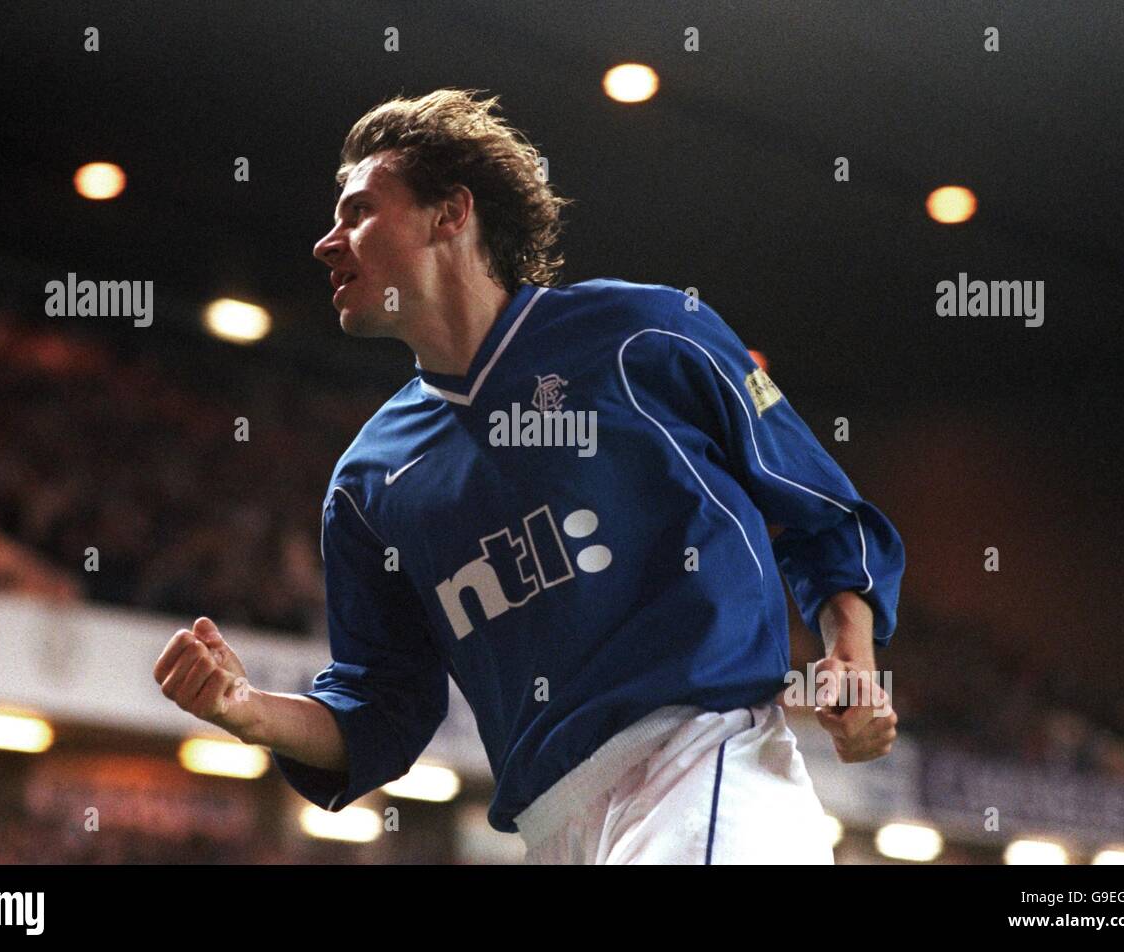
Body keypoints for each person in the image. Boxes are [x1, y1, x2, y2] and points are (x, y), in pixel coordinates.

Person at [154, 88, 905, 864]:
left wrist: (852, 658)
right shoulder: (367, 484)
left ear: (451, 214)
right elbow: (381, 712)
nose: (326, 242)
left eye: (357, 212)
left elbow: (823, 511)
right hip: (554, 832)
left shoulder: (649, 332)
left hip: (710, 765)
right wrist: (248, 711)